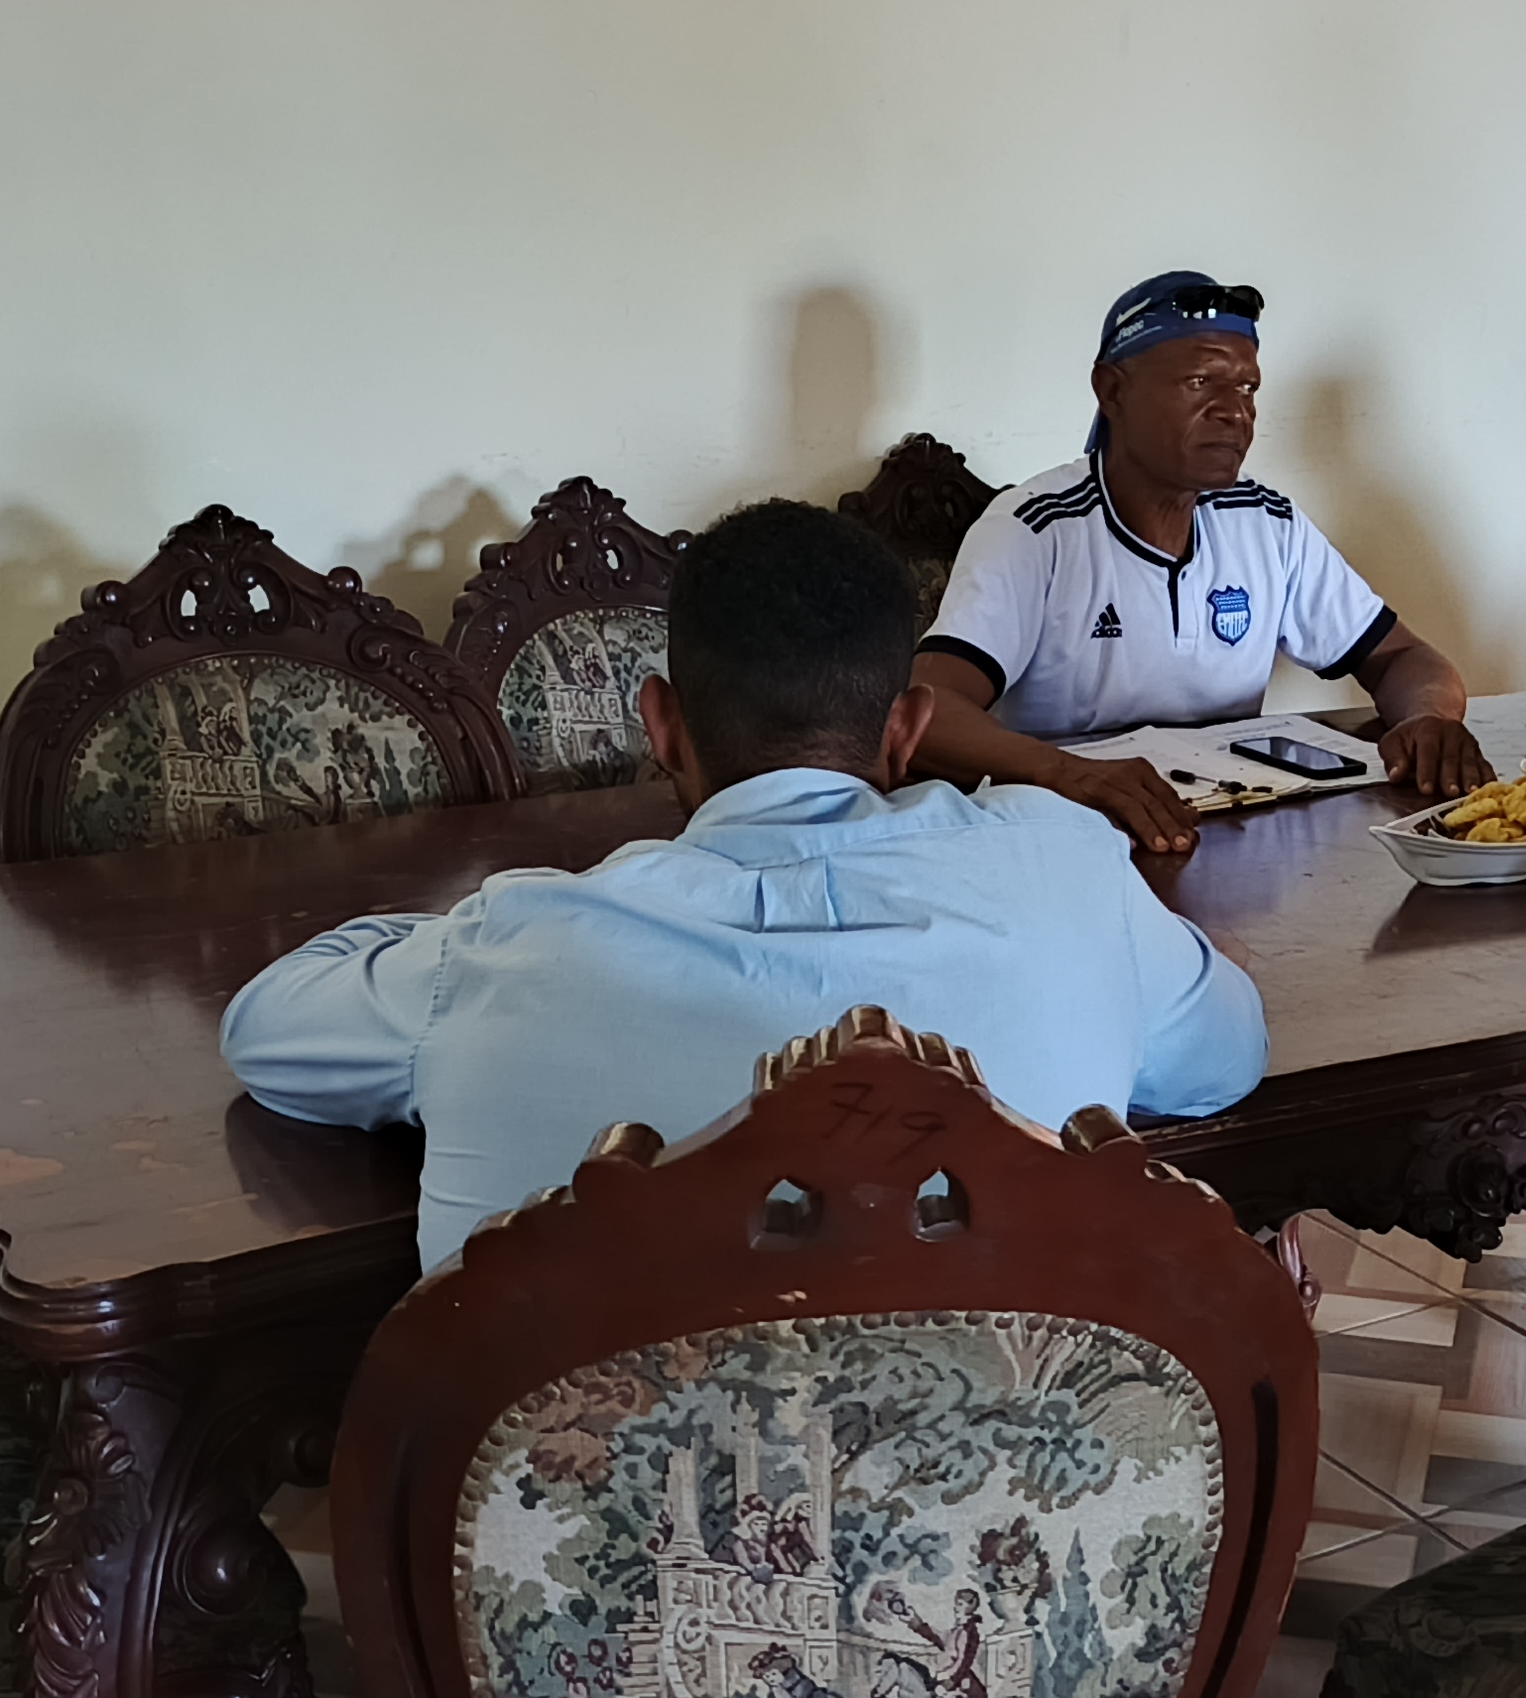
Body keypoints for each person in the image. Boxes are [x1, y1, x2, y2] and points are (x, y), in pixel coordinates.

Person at [220, 500, 1268, 1270]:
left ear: (659, 723)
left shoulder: (515, 943)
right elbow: (1224, 1057)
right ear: (906, 728)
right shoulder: (1068, 870)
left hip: (588, 1515)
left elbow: (264, 1032)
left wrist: (452, 935)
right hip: (1023, 1502)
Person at [913, 270, 1491, 855]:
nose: (1235, 413)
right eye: (1199, 382)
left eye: (1247, 388)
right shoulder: (1036, 529)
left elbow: (1405, 660)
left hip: (1226, 838)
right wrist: (1066, 772)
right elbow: (926, 709)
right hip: (1069, 843)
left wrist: (1428, 720)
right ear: (1112, 391)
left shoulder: (1267, 522)